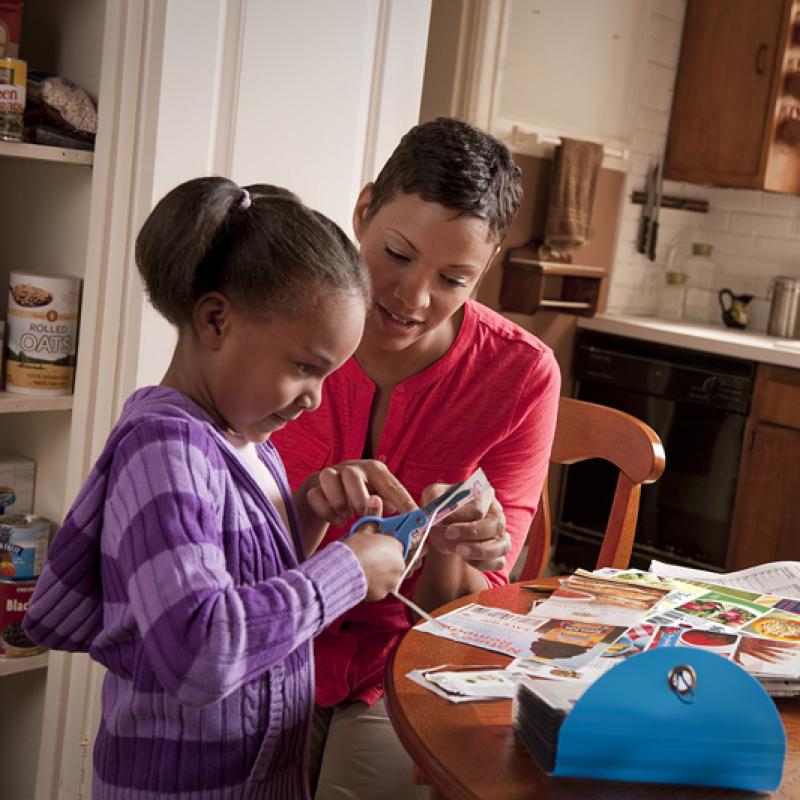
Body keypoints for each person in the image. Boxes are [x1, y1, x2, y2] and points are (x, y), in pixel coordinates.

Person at [23, 178, 419, 800]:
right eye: (304, 366)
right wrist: (346, 570)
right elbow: (199, 648)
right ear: (215, 320)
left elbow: (241, 586)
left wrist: (306, 517)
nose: (315, 398)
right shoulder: (162, 450)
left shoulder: (246, 441)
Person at [270, 117, 562, 799]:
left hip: (399, 667)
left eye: (454, 278)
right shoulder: (279, 315)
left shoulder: (521, 376)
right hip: (270, 638)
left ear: (484, 269)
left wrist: (456, 544)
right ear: (364, 209)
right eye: (397, 254)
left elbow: (460, 618)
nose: (412, 298)